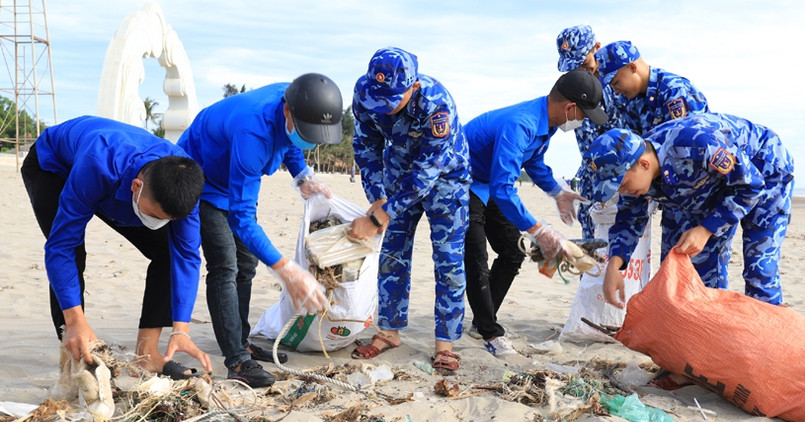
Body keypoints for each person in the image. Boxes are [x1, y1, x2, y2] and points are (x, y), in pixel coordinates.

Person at [177, 73, 343, 388]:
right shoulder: (252, 132)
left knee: (247, 263)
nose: (312, 139)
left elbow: (291, 141)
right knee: (225, 263)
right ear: (287, 112)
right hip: (202, 177)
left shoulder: (297, 99)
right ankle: (237, 360)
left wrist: (302, 177)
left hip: (232, 175)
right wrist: (287, 271)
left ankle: (240, 340)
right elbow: (242, 217)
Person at [21, 115, 212, 379]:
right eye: (154, 216)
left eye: (166, 219)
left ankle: (146, 356)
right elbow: (60, 247)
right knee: (73, 254)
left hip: (117, 183)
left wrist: (181, 328)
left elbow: (187, 257)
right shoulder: (99, 163)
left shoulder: (183, 186)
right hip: (53, 168)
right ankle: (77, 352)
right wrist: (75, 321)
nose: (157, 224)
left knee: (167, 252)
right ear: (137, 186)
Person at [585, 114, 794, 313]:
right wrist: (614, 266)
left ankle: (770, 341)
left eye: (622, 184)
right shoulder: (637, 175)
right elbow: (628, 220)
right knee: (694, 271)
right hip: (710, 188)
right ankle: (713, 334)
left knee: (759, 269)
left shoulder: (696, 144)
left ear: (644, 164)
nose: (622, 192)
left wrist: (705, 230)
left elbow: (751, 186)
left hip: (765, 172)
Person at [463, 70, 607, 356]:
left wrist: (557, 191)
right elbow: (504, 189)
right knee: (476, 254)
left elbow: (535, 163)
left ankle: (481, 323)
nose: (582, 121)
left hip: (486, 183)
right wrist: (539, 230)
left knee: (512, 252)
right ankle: (490, 332)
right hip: (460, 181)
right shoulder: (521, 124)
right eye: (584, 114)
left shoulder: (546, 124)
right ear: (569, 108)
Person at [348, 46, 470, 374]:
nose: (383, 110)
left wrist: (379, 216)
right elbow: (365, 147)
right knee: (392, 254)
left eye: (392, 101)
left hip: (445, 179)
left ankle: (445, 344)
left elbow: (427, 172)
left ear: (413, 87)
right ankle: (389, 332)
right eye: (379, 100)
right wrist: (376, 199)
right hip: (398, 172)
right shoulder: (366, 93)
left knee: (448, 261)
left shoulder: (437, 104)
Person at [555, 25, 628, 241]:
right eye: (573, 66)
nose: (579, 69)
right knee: (591, 254)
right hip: (590, 180)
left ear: (596, 48)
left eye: (583, 62)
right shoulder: (573, 87)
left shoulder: (619, 82)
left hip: (620, 180)